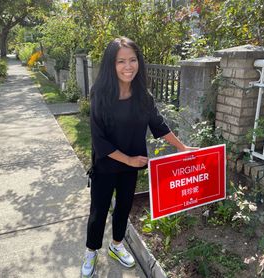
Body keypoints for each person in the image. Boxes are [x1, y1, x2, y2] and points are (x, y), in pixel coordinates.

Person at [81, 37, 195, 278]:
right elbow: (98, 139)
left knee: (123, 207)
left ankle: (116, 244)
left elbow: (159, 125)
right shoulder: (99, 94)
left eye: (132, 60)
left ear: (139, 62)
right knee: (98, 210)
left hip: (130, 167)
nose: (128, 66)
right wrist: (130, 160)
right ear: (111, 65)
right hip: (105, 165)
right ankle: (91, 251)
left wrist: (182, 147)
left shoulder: (143, 95)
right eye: (121, 61)